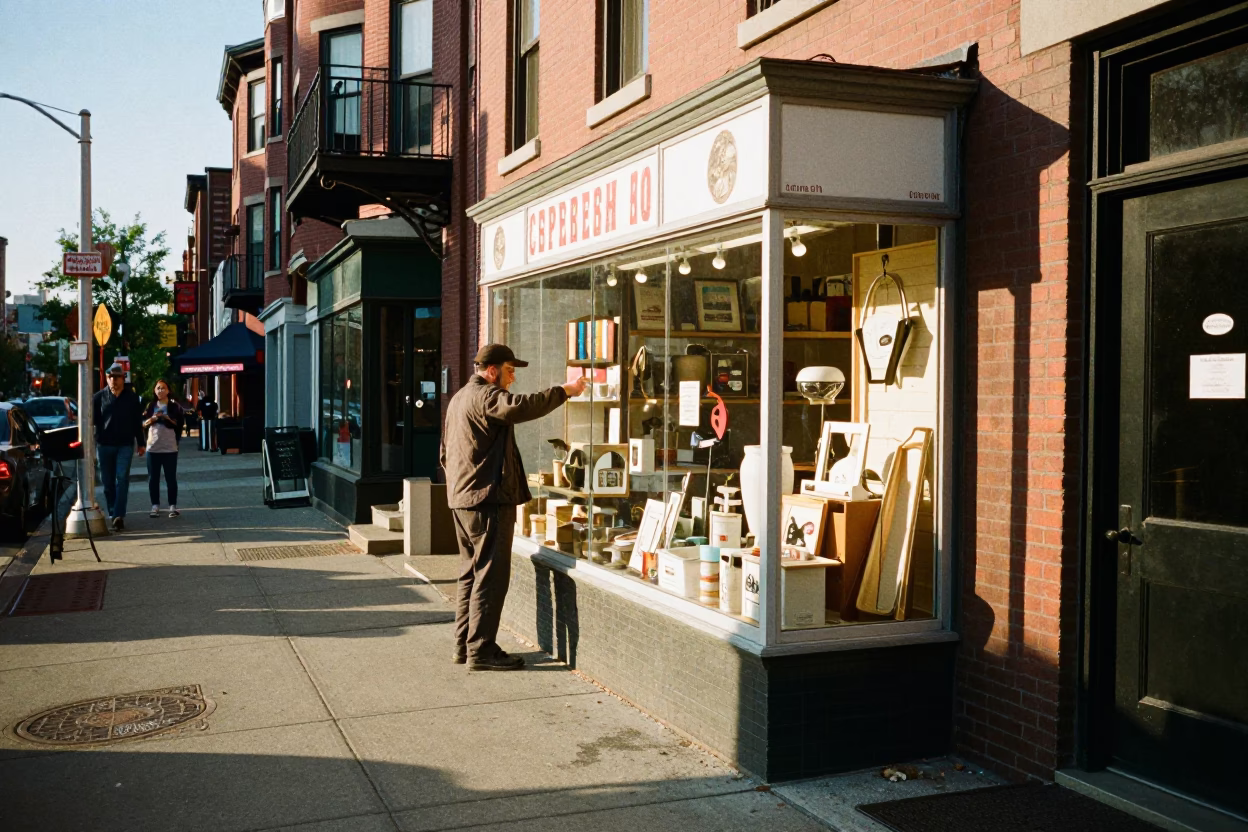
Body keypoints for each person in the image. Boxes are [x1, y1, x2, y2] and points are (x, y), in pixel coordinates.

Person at [440, 344, 586, 671]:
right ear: (491, 370)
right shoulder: (486, 396)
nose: (513, 377)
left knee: (471, 576)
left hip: (462, 501)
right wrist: (566, 390)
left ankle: (464, 645)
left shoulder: (459, 399)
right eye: (509, 370)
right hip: (486, 502)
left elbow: (444, 452)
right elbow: (520, 407)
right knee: (491, 578)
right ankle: (482, 651)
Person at [93, 363, 145, 531]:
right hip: (105, 444)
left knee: (122, 478)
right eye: (110, 377)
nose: (113, 380)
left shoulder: (132, 398)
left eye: (116, 377)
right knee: (107, 482)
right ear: (107, 378)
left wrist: (141, 443)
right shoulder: (99, 397)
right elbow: (93, 421)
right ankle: (112, 511)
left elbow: (137, 422)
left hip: (125, 444)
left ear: (123, 378)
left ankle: (118, 515)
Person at [143, 379, 184, 518]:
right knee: (153, 479)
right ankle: (155, 506)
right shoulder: (151, 405)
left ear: (168, 390)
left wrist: (166, 418)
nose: (160, 390)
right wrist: (153, 419)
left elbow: (179, 425)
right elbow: (143, 424)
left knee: (170, 478)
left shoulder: (174, 406)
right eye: (158, 388)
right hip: (153, 447)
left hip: (170, 448)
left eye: (163, 388)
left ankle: (172, 506)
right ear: (154, 390)